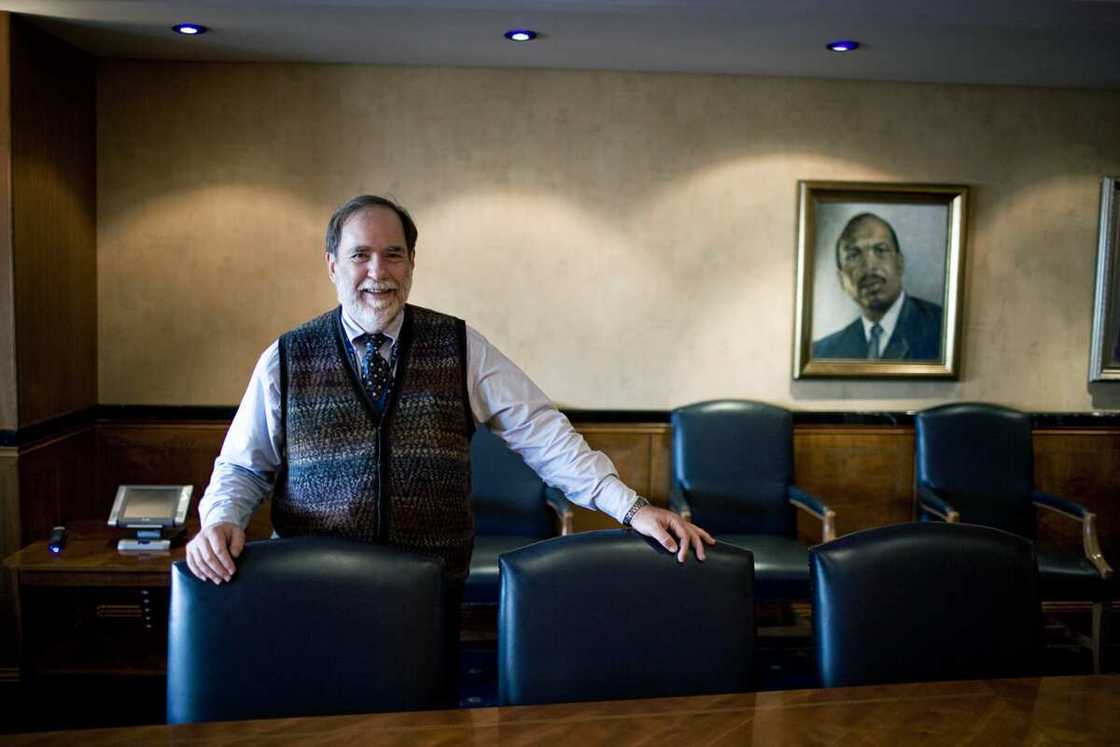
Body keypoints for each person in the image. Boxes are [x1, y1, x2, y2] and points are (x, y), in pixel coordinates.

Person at [186, 194, 714, 588]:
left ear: (412, 263)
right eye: (360, 255)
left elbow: (546, 437)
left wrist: (631, 508)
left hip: (429, 586)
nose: (378, 272)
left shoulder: (461, 346)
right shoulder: (286, 356)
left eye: (394, 255)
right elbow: (242, 466)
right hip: (312, 586)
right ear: (332, 264)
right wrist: (220, 521)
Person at [812, 212, 943, 361]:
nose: (869, 266)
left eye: (880, 250)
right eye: (854, 255)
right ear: (841, 279)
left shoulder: (943, 330)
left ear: (900, 264)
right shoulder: (823, 354)